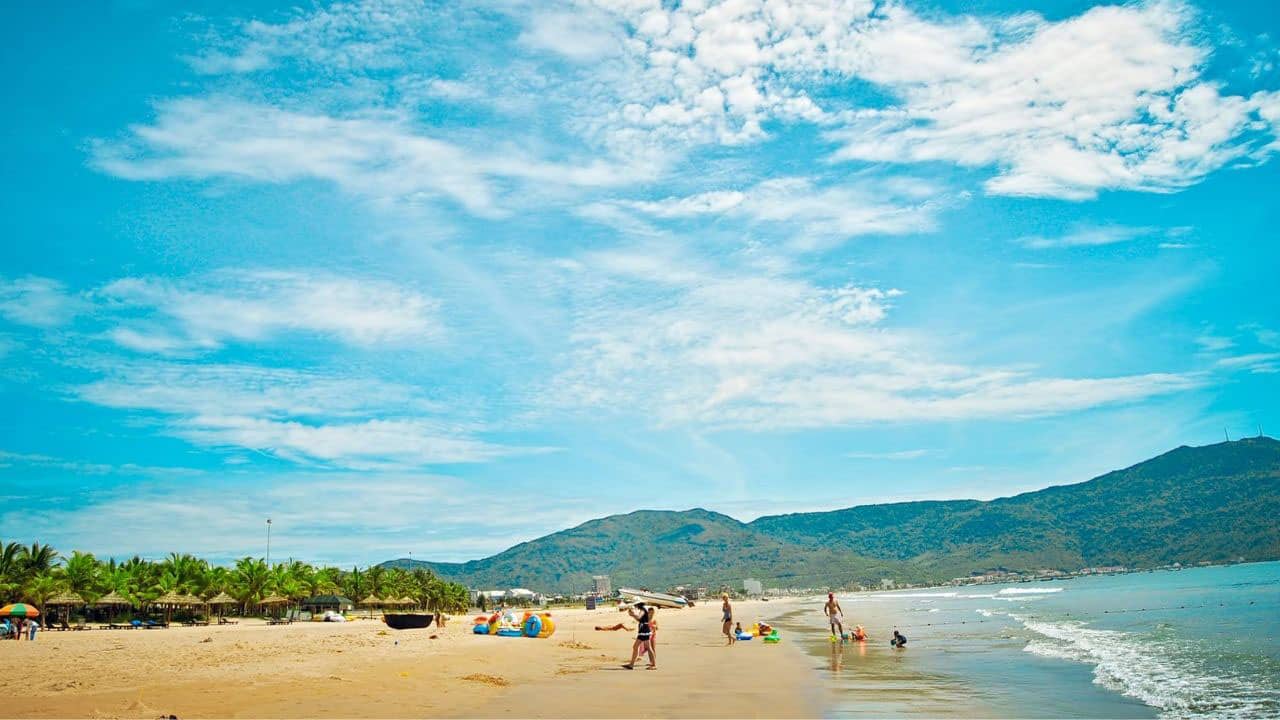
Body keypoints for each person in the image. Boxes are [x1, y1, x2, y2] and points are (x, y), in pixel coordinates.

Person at [622, 603, 656, 670]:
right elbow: (639, 619)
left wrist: (632, 614)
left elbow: (639, 618)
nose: (635, 606)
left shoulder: (642, 610)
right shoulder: (643, 610)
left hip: (643, 630)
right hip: (644, 629)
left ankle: (653, 665)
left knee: (640, 647)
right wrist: (633, 615)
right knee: (642, 647)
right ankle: (632, 664)